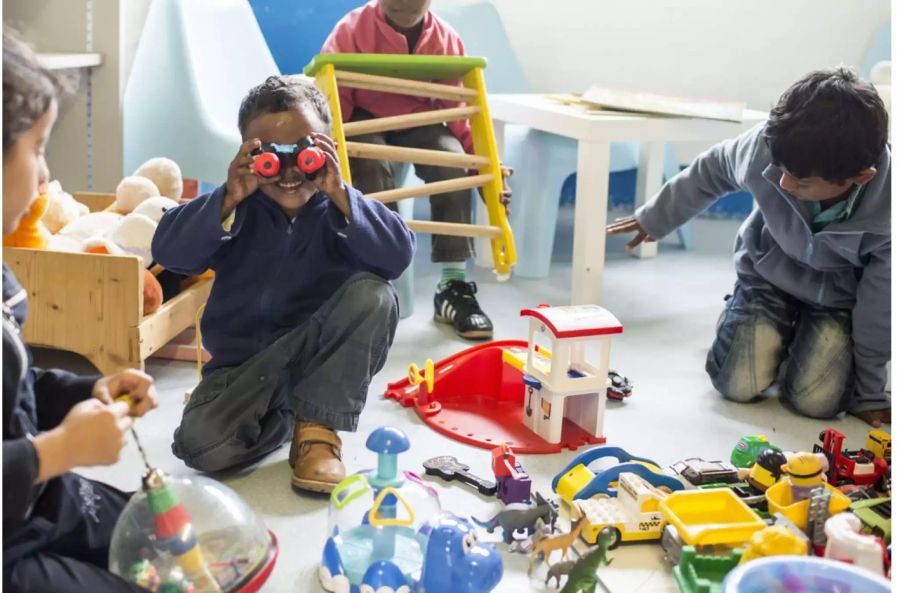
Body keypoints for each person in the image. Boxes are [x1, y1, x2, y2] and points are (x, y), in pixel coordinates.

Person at [152, 75, 415, 493]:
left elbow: (398, 255)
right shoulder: (236, 209)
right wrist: (227, 197)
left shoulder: (341, 210)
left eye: (306, 154)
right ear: (248, 156)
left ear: (326, 149)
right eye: (270, 159)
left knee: (375, 295)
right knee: (201, 447)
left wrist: (342, 194)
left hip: (317, 355)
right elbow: (170, 251)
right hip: (243, 373)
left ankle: (318, 430)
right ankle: (295, 416)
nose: (290, 172)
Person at [609, 67, 890, 427]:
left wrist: (870, 393)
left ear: (860, 177)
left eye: (801, 181)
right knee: (738, 385)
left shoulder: (887, 211)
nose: (784, 182)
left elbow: (880, 309)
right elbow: (710, 169)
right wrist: (655, 218)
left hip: (837, 299)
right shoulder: (768, 146)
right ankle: (743, 313)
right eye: (781, 169)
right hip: (766, 277)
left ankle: (796, 342)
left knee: (817, 403)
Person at [2, 29, 159, 592]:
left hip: (31, 493)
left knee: (158, 540)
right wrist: (56, 452)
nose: (46, 176)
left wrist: (84, 390)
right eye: (38, 149)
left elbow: (11, 388)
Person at [322, 0, 511, 340]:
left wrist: (486, 168)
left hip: (418, 116)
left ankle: (452, 286)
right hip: (363, 117)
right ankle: (377, 279)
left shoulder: (445, 40)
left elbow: (461, 115)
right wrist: (330, 154)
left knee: (451, 158)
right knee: (366, 160)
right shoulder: (350, 31)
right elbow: (334, 108)